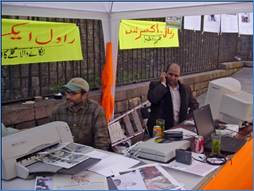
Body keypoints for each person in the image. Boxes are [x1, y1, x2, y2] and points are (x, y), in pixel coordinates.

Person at [50, 77, 110, 150]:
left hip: (89, 153)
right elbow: (51, 138)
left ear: (84, 95)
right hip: (65, 153)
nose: (68, 96)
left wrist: (99, 156)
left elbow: (102, 140)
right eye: (67, 92)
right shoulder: (58, 111)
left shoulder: (96, 110)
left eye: (73, 93)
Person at [147, 63, 199, 137]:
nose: (172, 78)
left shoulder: (185, 89)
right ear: (165, 73)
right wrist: (163, 84)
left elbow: (195, 105)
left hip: (179, 130)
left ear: (179, 76)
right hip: (161, 130)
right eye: (170, 74)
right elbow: (153, 99)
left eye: (176, 75)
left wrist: (187, 120)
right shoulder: (156, 85)